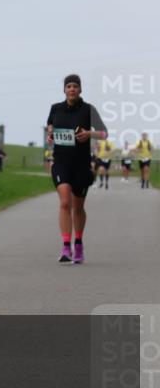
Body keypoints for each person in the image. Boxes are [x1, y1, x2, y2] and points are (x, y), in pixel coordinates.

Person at [46, 74, 107, 264]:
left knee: (78, 207)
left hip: (81, 164)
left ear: (80, 90)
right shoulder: (55, 108)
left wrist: (90, 133)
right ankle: (66, 247)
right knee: (65, 202)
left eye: (75, 86)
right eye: (68, 86)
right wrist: (50, 134)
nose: (71, 89)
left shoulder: (88, 109)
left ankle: (78, 244)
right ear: (64, 90)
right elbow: (50, 125)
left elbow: (104, 133)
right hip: (61, 162)